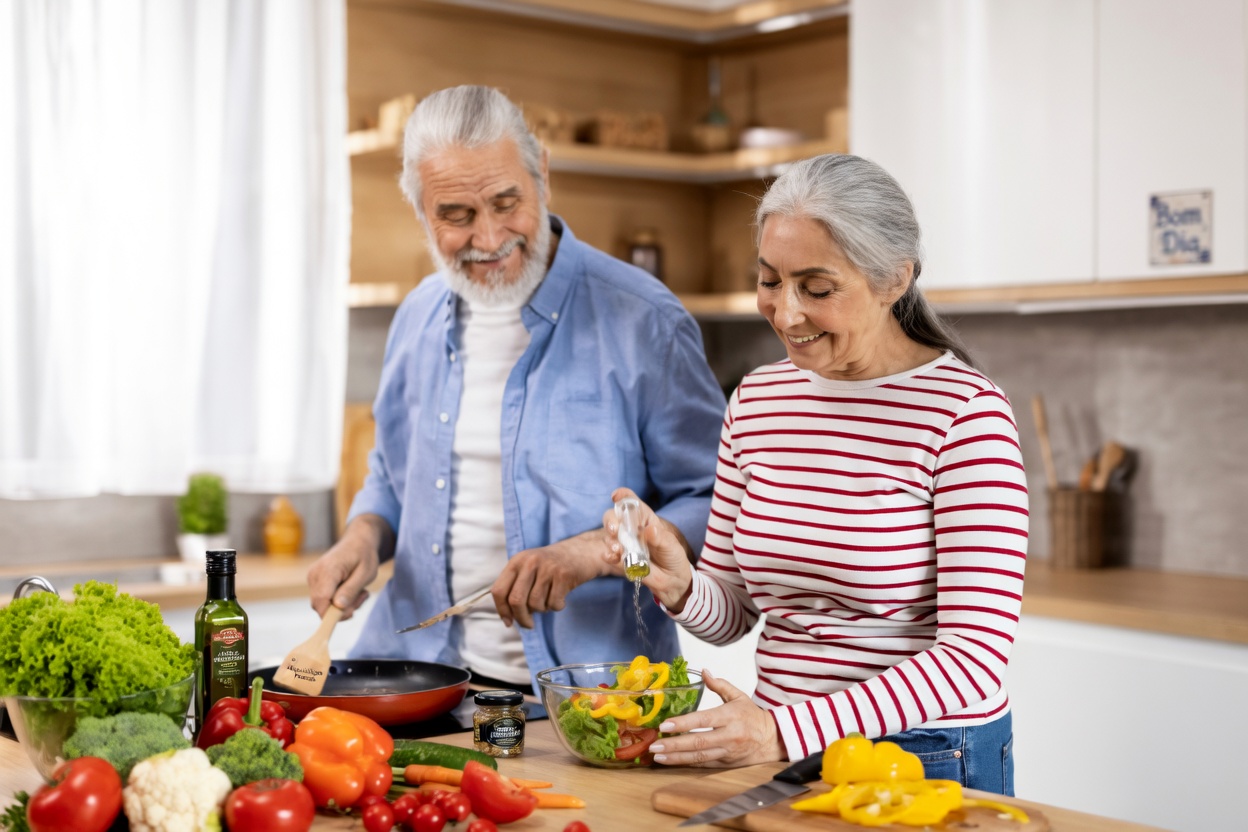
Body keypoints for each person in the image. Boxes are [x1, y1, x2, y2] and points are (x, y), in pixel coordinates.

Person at [604, 154, 1028, 795]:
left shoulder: (965, 414)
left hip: (925, 756)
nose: (786, 312)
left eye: (817, 288)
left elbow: (973, 657)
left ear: (895, 279)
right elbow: (735, 613)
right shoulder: (758, 400)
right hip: (784, 754)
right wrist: (682, 582)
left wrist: (783, 731)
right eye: (770, 280)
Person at [309, 86, 726, 692]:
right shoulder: (416, 318)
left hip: (585, 699)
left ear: (543, 177)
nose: (488, 237)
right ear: (421, 213)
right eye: (456, 215)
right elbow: (390, 476)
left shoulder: (644, 320)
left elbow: (718, 503)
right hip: (416, 680)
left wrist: (593, 552)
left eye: (507, 202)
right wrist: (364, 536)